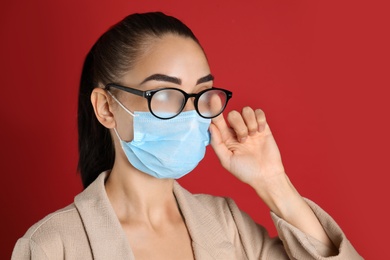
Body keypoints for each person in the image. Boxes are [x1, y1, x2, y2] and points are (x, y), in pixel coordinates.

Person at [12, 12, 362, 259]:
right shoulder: (51, 246)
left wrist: (273, 183)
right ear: (106, 108)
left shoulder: (228, 225)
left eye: (201, 95)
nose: (189, 113)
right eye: (165, 95)